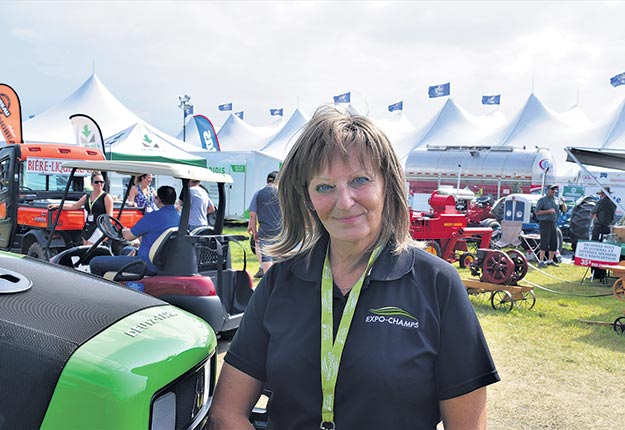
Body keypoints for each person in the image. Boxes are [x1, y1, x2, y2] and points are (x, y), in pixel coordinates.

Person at [208, 106, 499, 430]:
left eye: (359, 180)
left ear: (387, 186)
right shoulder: (280, 280)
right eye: (324, 186)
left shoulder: (437, 284)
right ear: (307, 198)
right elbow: (226, 413)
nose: (344, 201)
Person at [89, 186, 180, 276]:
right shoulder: (179, 218)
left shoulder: (153, 217)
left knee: (95, 262)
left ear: (159, 200)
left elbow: (128, 237)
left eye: (155, 197)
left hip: (145, 264)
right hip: (163, 262)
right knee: (126, 250)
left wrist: (124, 230)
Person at [48, 171, 114, 245]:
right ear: (92, 184)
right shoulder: (87, 196)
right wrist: (58, 206)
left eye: (101, 182)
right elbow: (74, 206)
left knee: (90, 247)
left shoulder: (106, 197)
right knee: (85, 246)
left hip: (99, 226)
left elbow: (109, 217)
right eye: (96, 182)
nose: (99, 184)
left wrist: (107, 231)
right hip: (89, 225)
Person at [247, 171, 281, 279]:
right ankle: (278, 280)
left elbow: (252, 215)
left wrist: (254, 232)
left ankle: (268, 280)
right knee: (278, 256)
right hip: (281, 231)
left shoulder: (258, 193)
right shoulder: (283, 193)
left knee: (266, 257)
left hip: (265, 231)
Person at [535, 184, 567, 268]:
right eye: (552, 189)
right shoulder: (542, 200)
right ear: (548, 190)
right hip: (544, 223)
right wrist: (548, 211)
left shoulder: (556, 200)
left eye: (555, 190)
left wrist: (563, 203)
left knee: (554, 242)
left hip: (553, 223)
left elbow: (564, 210)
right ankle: (541, 261)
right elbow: (537, 212)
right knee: (544, 242)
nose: (553, 191)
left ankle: (550, 260)